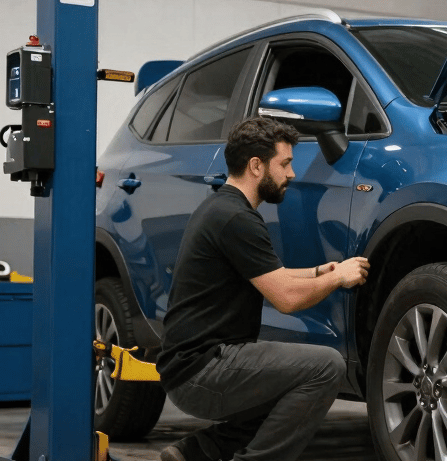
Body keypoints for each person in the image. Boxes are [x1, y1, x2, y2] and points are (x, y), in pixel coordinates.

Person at [156, 117, 370, 461]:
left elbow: (274, 275)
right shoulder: (237, 219)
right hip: (202, 370)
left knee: (286, 391)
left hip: (190, 367)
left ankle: (192, 454)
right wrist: (338, 277)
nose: (292, 174)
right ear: (256, 166)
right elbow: (285, 298)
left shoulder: (222, 207)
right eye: (284, 164)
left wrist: (317, 271)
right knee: (326, 366)